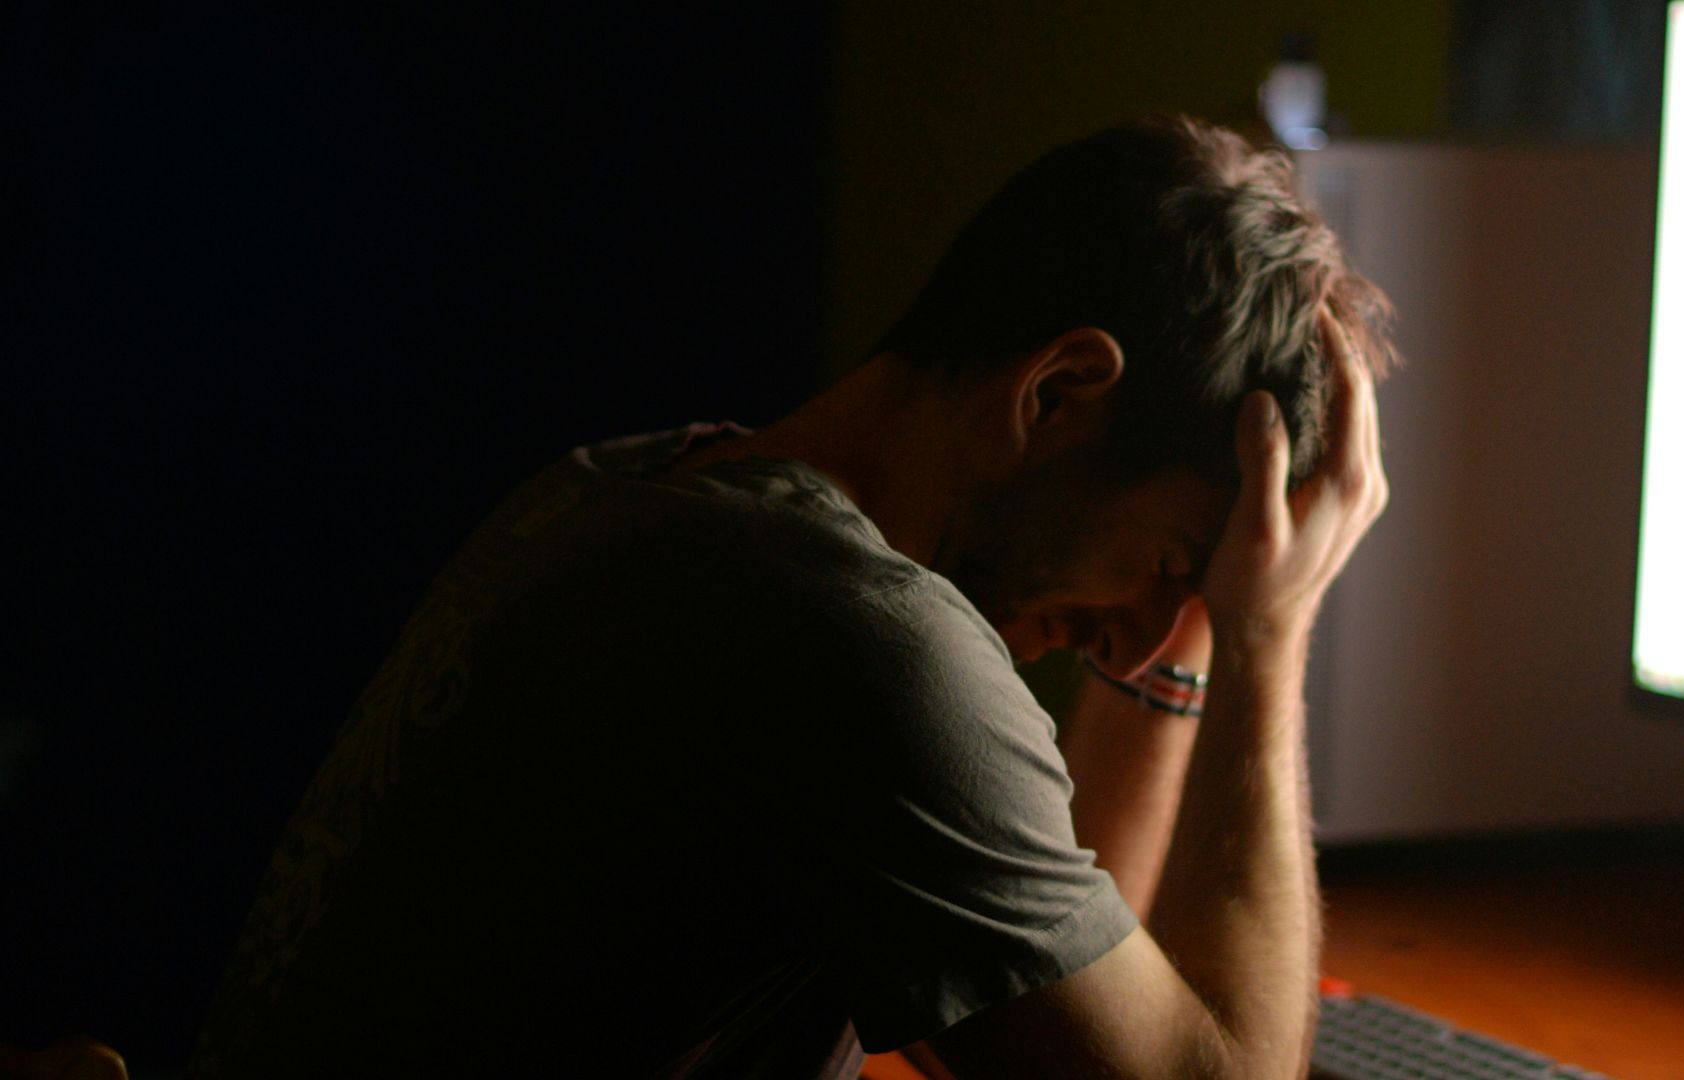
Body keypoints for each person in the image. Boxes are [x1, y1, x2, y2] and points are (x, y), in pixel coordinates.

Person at [189, 112, 1394, 1079]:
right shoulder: (861, 642)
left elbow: (1048, 988)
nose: (1138, 649)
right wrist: (1266, 636)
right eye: (1174, 568)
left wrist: (1190, 628)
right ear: (1057, 392)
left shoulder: (638, 493)